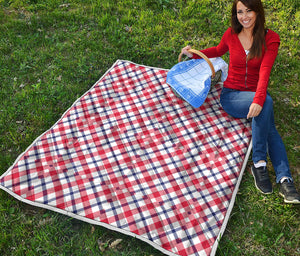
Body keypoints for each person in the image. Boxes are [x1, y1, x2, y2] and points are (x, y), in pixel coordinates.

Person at [181, 0, 300, 204]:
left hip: (254, 93)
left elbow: (265, 71)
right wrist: (194, 55)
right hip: (232, 96)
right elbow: (218, 50)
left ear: (258, 11)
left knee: (267, 116)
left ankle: (281, 177)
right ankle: (265, 166)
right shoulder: (231, 34)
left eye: (249, 11)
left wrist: (258, 99)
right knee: (267, 107)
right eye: (240, 12)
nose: (244, 16)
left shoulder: (271, 39)